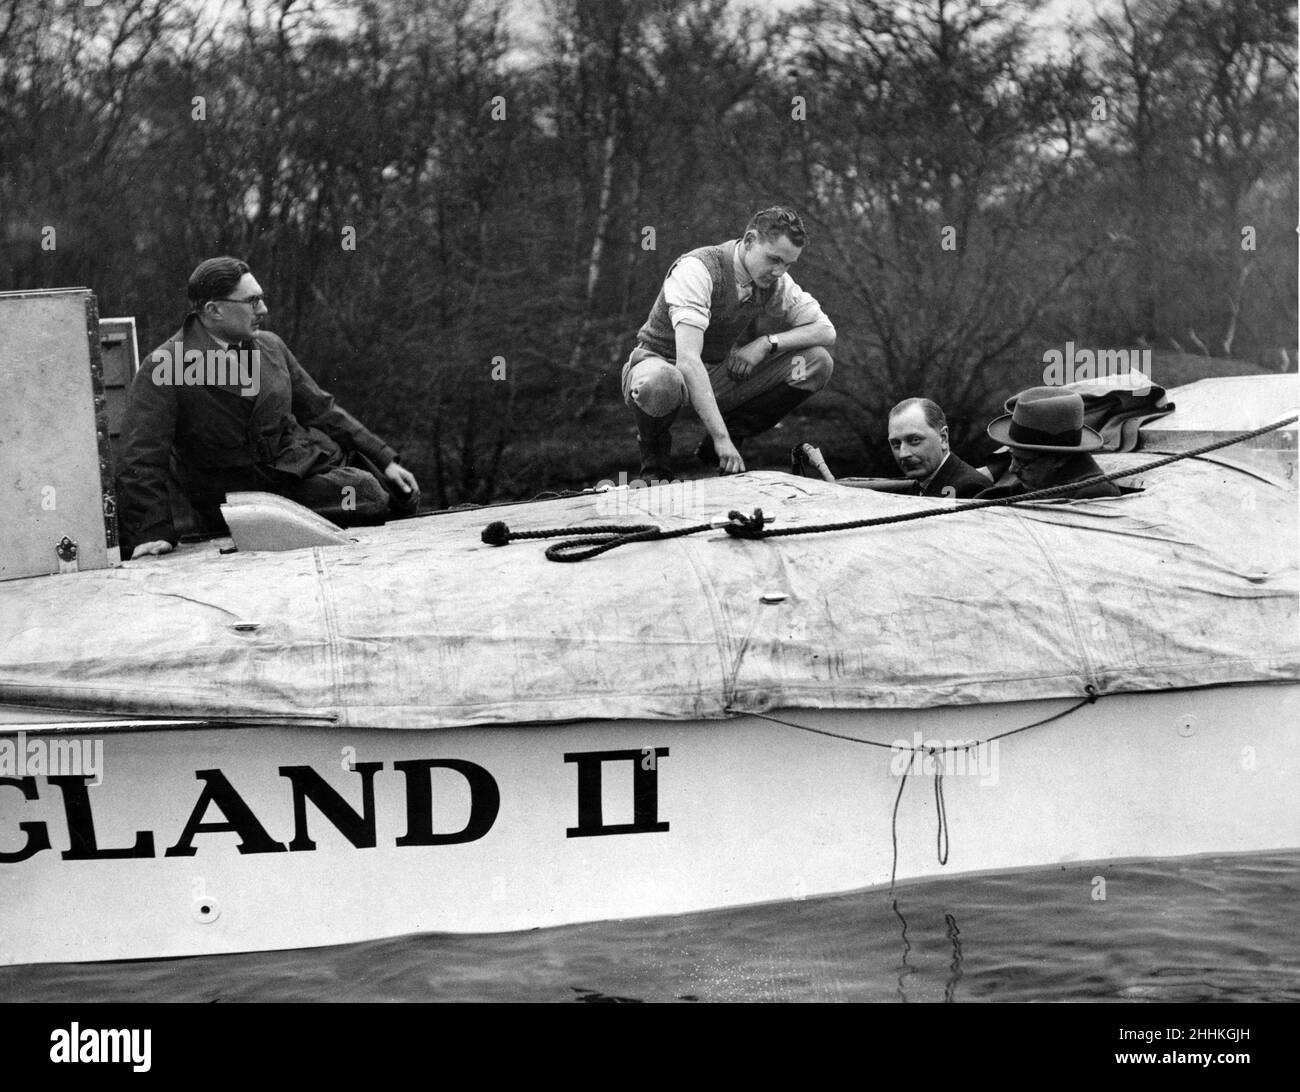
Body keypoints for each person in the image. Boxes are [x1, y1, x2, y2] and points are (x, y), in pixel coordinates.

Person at [117, 256, 419, 558]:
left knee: (386, 488)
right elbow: (141, 458)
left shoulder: (270, 346)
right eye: (252, 301)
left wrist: (384, 459)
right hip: (235, 501)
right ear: (214, 310)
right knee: (366, 492)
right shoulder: (166, 364)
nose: (263, 310)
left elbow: (322, 410)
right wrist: (151, 532)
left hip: (296, 472)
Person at [623, 206, 836, 479]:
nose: (779, 271)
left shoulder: (775, 281)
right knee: (662, 380)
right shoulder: (697, 269)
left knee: (815, 362)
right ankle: (655, 468)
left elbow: (825, 330)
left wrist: (767, 343)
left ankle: (725, 439)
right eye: (773, 259)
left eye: (788, 264)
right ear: (749, 241)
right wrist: (720, 435)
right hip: (656, 366)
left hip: (715, 375)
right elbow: (687, 361)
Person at [977, 386, 1121, 500]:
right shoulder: (1042, 480)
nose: (1012, 469)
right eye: (1012, 456)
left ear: (1059, 458)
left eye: (1022, 462)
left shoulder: (1093, 494)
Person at [887, 398, 990, 498]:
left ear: (943, 438)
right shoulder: (917, 486)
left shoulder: (972, 489)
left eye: (915, 440)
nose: (903, 454)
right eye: (896, 444)